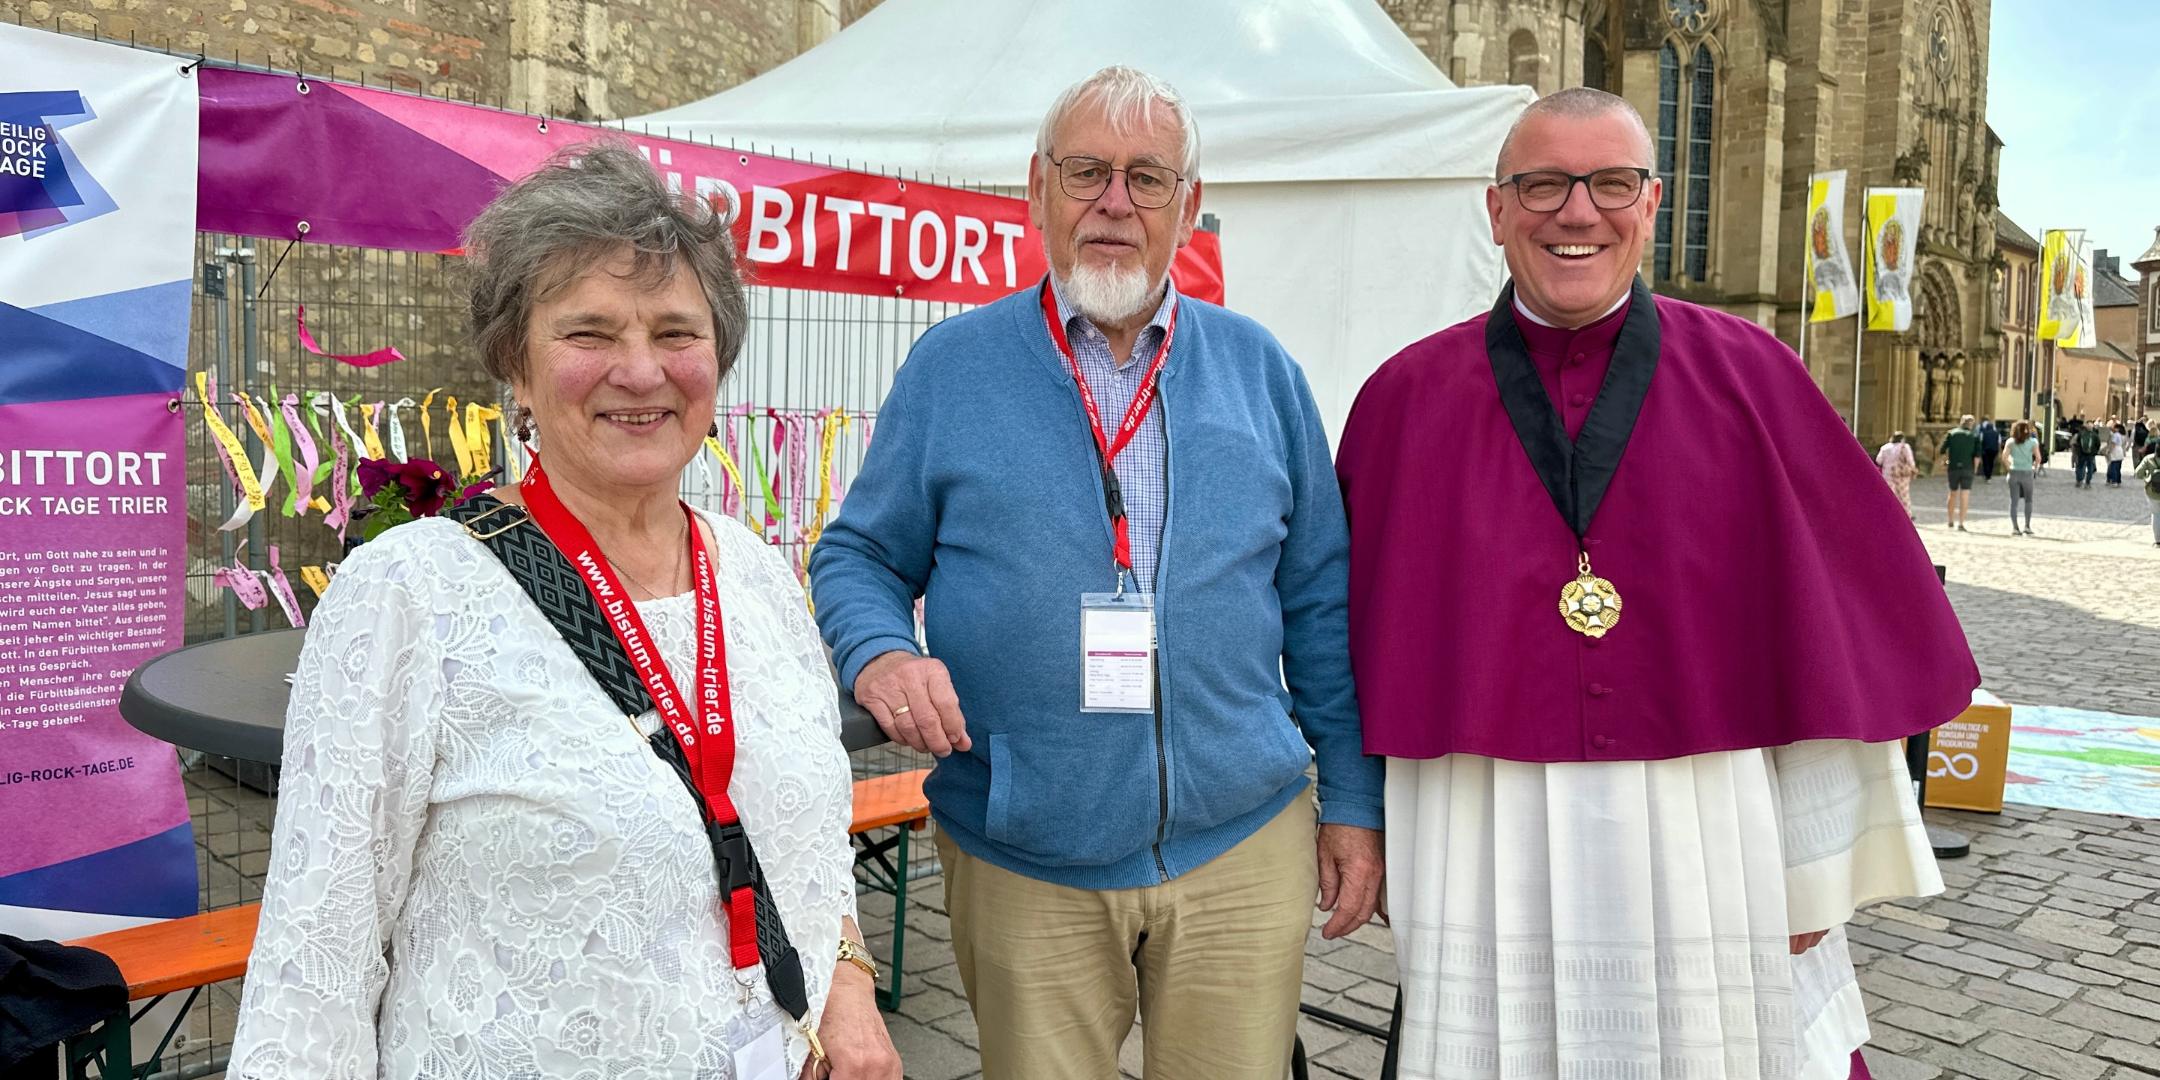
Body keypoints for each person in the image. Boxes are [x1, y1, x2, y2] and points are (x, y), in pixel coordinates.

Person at [1335, 88, 1977, 1080]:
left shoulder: (1754, 377)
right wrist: (1358, 821)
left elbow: (1824, 636)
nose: (1576, 212)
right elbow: (1346, 642)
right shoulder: (1403, 402)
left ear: (1653, 201)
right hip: (1479, 822)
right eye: (1543, 185)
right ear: (1497, 210)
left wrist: (1811, 869)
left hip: (1708, 833)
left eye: (1610, 184)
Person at [229, 143, 901, 1080]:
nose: (640, 371)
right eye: (589, 334)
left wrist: (849, 990)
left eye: (675, 332)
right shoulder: (410, 595)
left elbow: (808, 831)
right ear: (517, 363)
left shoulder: (754, 576)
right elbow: (316, 964)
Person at [809, 66, 1383, 1080]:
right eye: (1087, 173)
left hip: (1242, 846)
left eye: (1147, 178)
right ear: (1037, 188)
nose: (1115, 203)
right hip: (1023, 853)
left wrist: (1351, 802)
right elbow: (858, 551)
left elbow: (1321, 604)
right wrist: (881, 652)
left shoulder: (1261, 372)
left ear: (1189, 206)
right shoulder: (954, 369)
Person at [1938, 414, 1977, 529]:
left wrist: (1946, 461)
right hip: (1968, 468)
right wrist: (1974, 469)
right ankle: (1961, 523)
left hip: (1953, 467)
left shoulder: (1951, 434)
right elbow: (1977, 457)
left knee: (1952, 493)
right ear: (1971, 424)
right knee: (1965, 495)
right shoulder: (1974, 436)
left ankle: (1950, 520)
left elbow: (1942, 450)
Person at [2007, 419, 2041, 535]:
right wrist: (2034, 468)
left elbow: (2004, 457)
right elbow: (2038, 458)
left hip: (2014, 472)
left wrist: (2009, 467)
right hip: (2027, 472)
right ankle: (2027, 526)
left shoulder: (2011, 442)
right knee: (2028, 500)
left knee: (2014, 501)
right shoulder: (2033, 442)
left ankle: (2015, 528)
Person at [1876, 431, 1917, 517]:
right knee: (1903, 496)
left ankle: (1889, 514)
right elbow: (1910, 461)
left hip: (1888, 475)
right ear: (1902, 439)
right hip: (1902, 475)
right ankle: (1906, 515)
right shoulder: (1905, 447)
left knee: (1889, 496)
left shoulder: (1885, 447)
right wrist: (1913, 469)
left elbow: (1878, 460)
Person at [2138, 445, 2160, 546]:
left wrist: (2147, 476)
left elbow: (2138, 473)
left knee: (2156, 514)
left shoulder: (2149, 459)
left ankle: (2158, 540)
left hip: (2153, 491)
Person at [2074, 420, 2101, 488]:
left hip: (2081, 453)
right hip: (2091, 454)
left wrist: (2078, 451)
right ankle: (2087, 483)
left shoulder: (2081, 433)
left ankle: (2079, 481)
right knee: (2090, 468)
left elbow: (2077, 442)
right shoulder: (2094, 435)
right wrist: (2095, 451)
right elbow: (2098, 444)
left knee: (2080, 467)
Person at [1977, 414, 2002, 482]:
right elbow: (1999, 442)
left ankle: (1986, 475)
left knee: (1985, 463)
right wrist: (1999, 451)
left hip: (1985, 450)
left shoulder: (1983, 432)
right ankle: (1989, 475)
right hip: (1994, 450)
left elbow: (1980, 441)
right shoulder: (1996, 433)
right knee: (1991, 462)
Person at [2107, 421, 2127, 486]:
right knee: (2118, 467)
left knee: (2113, 466)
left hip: (2115, 451)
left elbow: (2113, 444)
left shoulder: (2115, 435)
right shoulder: (2122, 435)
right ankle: (2118, 480)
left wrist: (2109, 450)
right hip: (2120, 450)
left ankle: (2114, 480)